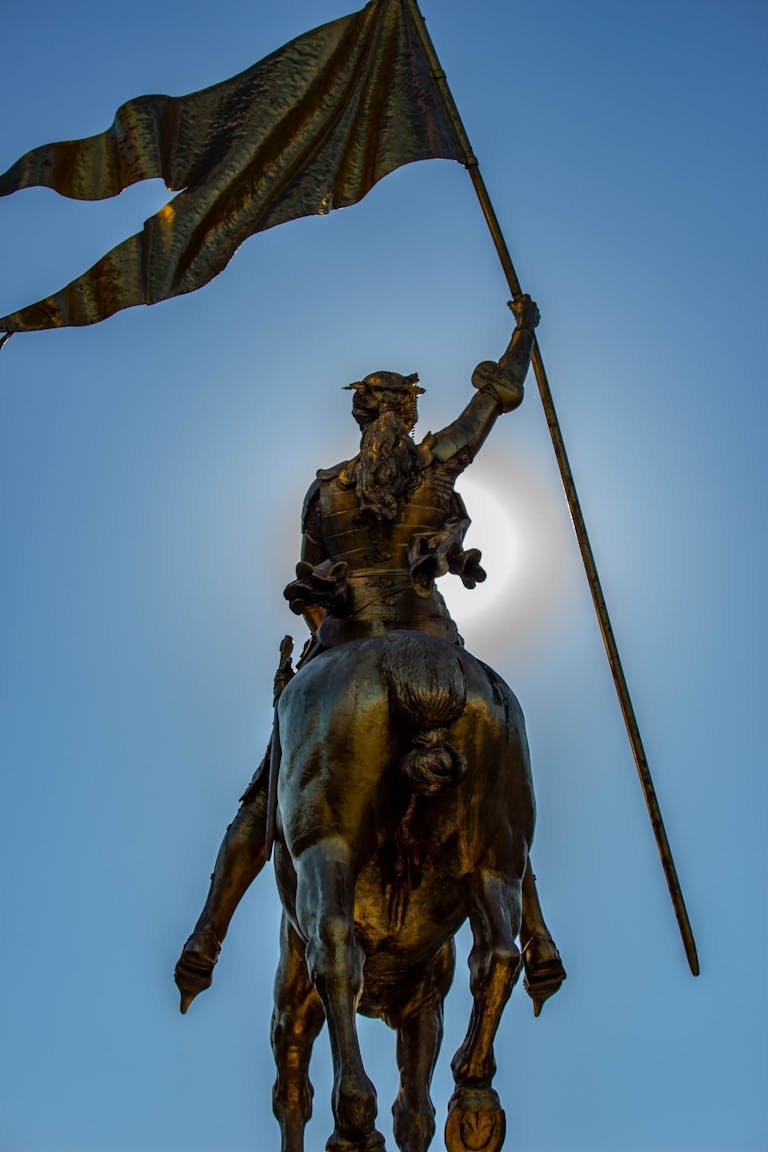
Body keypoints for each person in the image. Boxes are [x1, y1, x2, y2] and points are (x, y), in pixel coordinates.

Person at [175, 296, 566, 1016]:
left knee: (264, 804)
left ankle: (207, 936)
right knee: (494, 802)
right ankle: (534, 932)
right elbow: (494, 402)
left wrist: (327, 628)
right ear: (408, 415)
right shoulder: (438, 463)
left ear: (362, 414)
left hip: (344, 646)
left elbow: (307, 593)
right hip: (437, 639)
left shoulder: (325, 493)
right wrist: (524, 336)